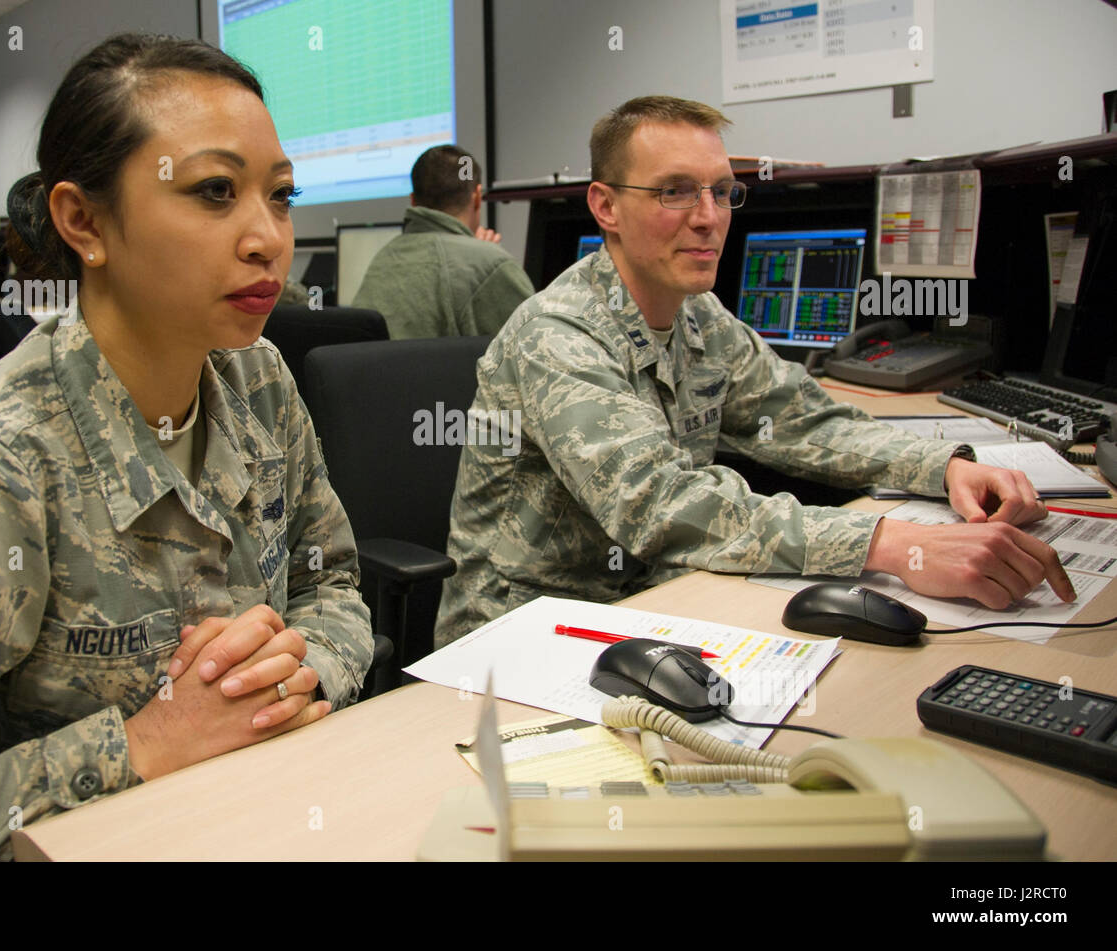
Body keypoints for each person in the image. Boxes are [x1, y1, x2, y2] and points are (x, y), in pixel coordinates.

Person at [0, 33, 373, 861]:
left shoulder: (258, 379)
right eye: (215, 191)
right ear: (83, 221)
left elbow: (334, 587)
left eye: (281, 196)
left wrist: (277, 682)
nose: (268, 238)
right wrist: (143, 745)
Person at [434, 95, 1073, 646]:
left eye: (721, 191)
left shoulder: (699, 318)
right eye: (675, 191)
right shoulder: (559, 334)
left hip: (655, 601)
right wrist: (894, 543)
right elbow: (658, 506)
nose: (709, 216)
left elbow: (806, 421)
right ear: (604, 206)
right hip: (523, 631)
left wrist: (946, 467)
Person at [352, 144, 534, 339]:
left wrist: (478, 255)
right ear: (476, 197)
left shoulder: (385, 257)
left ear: (413, 200)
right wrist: (485, 260)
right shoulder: (492, 265)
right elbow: (537, 349)